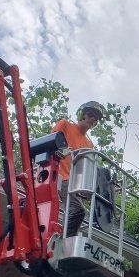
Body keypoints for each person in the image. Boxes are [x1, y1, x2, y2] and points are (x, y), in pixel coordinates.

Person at [53, 101, 104, 235]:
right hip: (58, 174)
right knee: (77, 210)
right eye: (90, 114)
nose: (92, 119)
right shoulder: (65, 125)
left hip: (72, 183)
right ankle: (63, 241)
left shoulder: (89, 145)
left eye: (96, 118)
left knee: (78, 210)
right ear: (81, 114)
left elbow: (85, 170)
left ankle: (63, 237)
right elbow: (52, 143)